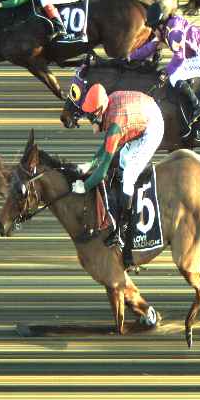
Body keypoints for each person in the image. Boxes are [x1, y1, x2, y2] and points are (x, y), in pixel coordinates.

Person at [72, 85, 163, 265]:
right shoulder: (108, 104)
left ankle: (124, 228)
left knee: (128, 174)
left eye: (90, 118)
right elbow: (107, 145)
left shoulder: (114, 126)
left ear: (99, 112)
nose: (89, 122)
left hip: (152, 128)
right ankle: (123, 199)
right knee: (122, 159)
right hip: (144, 113)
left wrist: (85, 186)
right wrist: (90, 163)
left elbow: (102, 170)